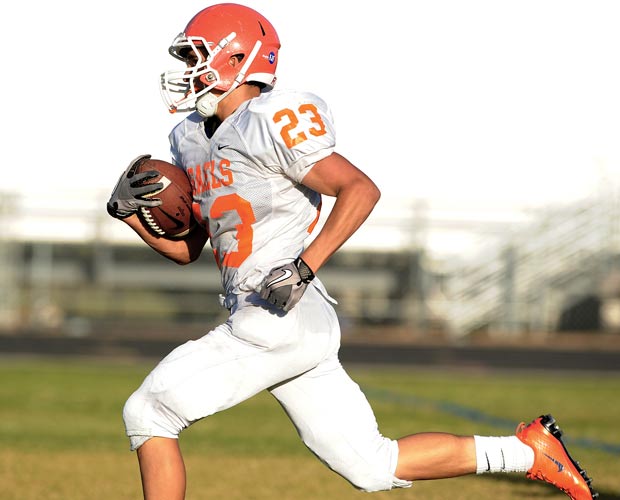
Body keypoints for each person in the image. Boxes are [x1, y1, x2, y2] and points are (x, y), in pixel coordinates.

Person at [106, 3, 598, 499]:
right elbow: (189, 248)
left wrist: (304, 267)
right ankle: (529, 451)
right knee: (371, 464)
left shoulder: (270, 118)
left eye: (199, 55)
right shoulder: (189, 137)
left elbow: (359, 189)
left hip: (279, 309)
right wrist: (131, 215)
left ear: (239, 59)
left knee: (149, 412)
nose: (190, 70)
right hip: (284, 315)